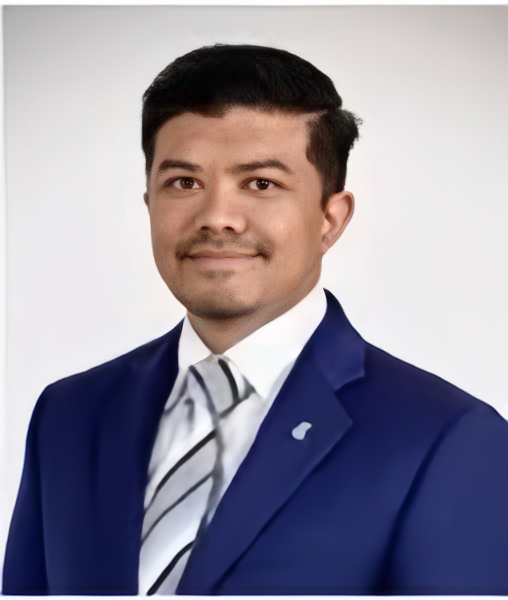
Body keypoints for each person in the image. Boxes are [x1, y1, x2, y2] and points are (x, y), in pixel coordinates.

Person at [3, 44, 507, 596]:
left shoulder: (448, 440)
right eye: (184, 182)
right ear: (149, 204)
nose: (217, 217)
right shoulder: (68, 415)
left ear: (330, 218)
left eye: (261, 183)